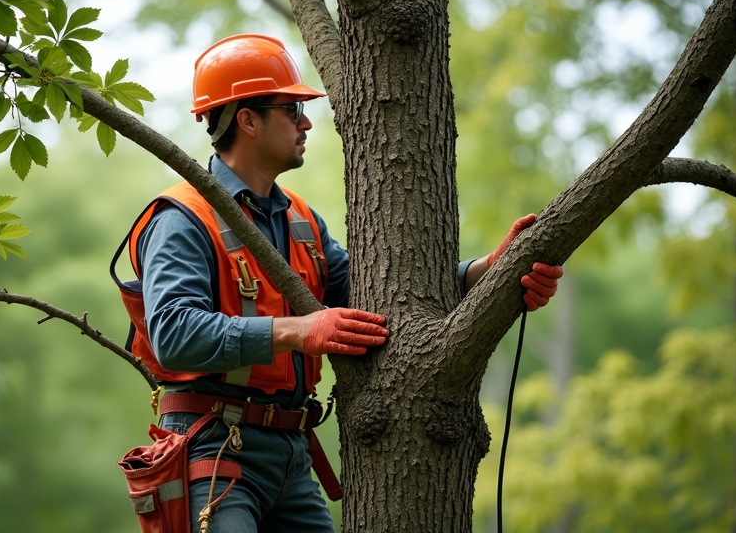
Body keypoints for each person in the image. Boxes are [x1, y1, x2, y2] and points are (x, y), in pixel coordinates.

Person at [115, 34, 563, 533]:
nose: (307, 122)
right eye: (292, 110)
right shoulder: (183, 217)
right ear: (247, 119)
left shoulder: (300, 219)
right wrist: (298, 331)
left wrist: (487, 272)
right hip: (214, 447)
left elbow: (374, 295)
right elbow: (174, 336)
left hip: (290, 452)